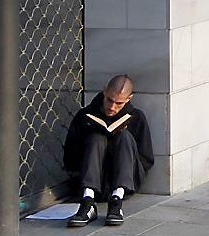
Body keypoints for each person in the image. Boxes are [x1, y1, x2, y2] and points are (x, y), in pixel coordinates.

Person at [64, 75, 153, 227]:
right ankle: (88, 201)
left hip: (125, 181)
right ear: (104, 91)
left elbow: (146, 158)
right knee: (96, 138)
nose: (112, 107)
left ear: (129, 99)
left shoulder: (136, 117)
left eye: (119, 103)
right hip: (92, 178)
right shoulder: (85, 115)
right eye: (109, 100)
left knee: (125, 137)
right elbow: (70, 156)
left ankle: (116, 201)